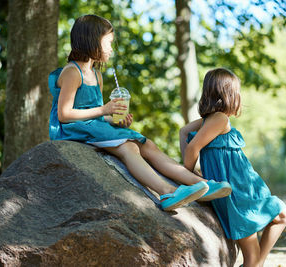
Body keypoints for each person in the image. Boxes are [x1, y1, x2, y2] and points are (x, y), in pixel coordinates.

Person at [48, 14, 232, 211]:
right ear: (91, 40)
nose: (111, 48)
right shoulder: (72, 72)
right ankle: (166, 191)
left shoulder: (96, 75)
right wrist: (104, 109)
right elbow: (64, 114)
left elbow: (97, 116)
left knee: (147, 144)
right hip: (71, 129)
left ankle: (200, 184)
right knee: (129, 148)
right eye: (108, 43)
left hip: (91, 127)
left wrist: (114, 120)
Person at [180, 68, 286, 266]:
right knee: (252, 256)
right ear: (228, 94)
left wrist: (190, 170)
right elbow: (193, 149)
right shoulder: (220, 119)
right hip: (237, 196)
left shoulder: (211, 119)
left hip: (245, 189)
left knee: (283, 215)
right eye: (236, 92)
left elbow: (184, 132)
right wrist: (188, 175)